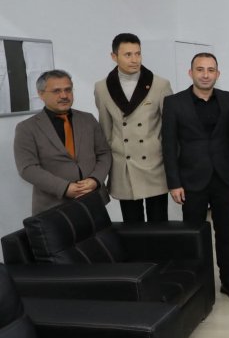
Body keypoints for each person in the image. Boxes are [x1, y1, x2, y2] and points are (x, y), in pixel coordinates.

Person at [161, 53, 229, 301]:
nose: (205, 75)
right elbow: (168, 145)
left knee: (225, 234)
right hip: (191, 180)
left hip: (223, 178)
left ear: (218, 74)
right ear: (191, 73)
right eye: (200, 69)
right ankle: (197, 284)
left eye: (210, 70)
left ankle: (228, 281)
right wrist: (174, 182)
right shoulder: (174, 103)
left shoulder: (228, 99)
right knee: (194, 236)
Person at [94, 33, 172, 222]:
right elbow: (105, 129)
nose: (134, 59)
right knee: (132, 225)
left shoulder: (160, 84)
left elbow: (169, 128)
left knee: (159, 224)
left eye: (138, 53)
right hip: (124, 166)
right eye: (128, 54)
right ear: (114, 56)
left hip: (154, 165)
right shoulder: (102, 88)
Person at [14, 70, 112, 215]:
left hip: (94, 200)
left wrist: (95, 180)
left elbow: (104, 153)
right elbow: (27, 168)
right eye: (56, 91)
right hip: (53, 207)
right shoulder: (27, 128)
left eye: (68, 90)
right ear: (41, 94)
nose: (64, 95)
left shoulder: (88, 119)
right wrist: (65, 188)